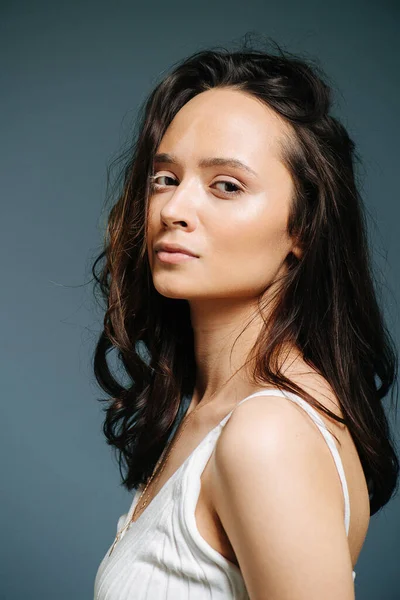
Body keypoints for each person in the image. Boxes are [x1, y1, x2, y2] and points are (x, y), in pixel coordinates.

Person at [92, 37, 399, 599]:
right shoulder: (214, 411)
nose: (174, 210)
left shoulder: (268, 433)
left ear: (302, 228)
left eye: (226, 186)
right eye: (166, 178)